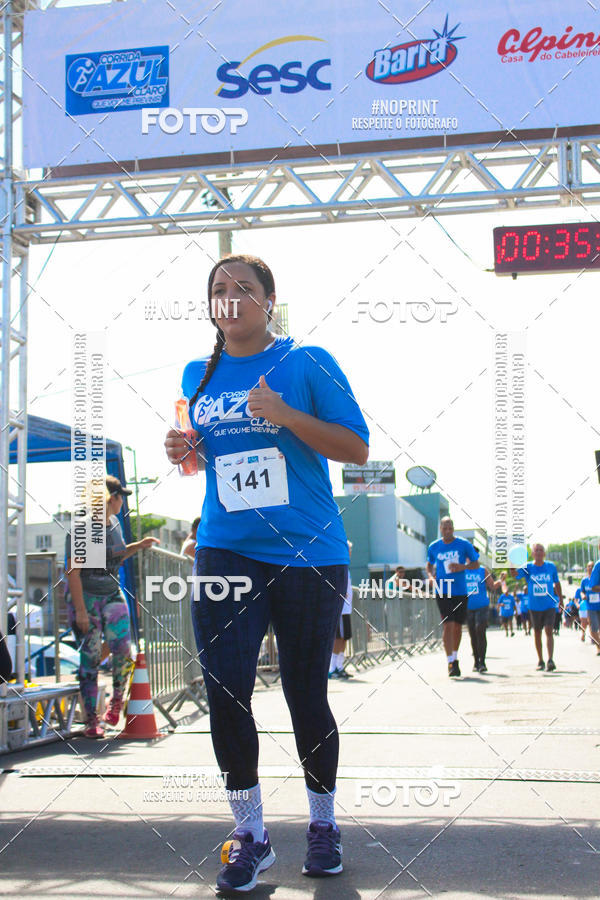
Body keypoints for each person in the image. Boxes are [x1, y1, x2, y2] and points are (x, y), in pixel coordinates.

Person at [164, 254, 369, 894]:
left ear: (268, 301)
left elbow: (356, 446)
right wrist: (184, 453)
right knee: (226, 691)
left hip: (308, 550)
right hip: (226, 548)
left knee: (305, 695)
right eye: (219, 290)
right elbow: (205, 462)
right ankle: (250, 835)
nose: (230, 298)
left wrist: (285, 415)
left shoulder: (307, 362)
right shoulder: (198, 374)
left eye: (243, 289)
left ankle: (322, 823)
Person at [65, 475, 159, 738]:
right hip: (86, 596)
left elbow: (114, 556)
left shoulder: (114, 523)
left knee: (122, 647)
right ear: (110, 498)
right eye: (120, 497)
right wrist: (81, 611)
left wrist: (137, 546)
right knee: (91, 656)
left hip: (111, 592)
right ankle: (91, 720)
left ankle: (116, 701)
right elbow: (73, 572)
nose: (122, 502)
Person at [426, 517, 479, 677]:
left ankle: (455, 656)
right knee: (448, 625)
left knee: (457, 626)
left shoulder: (463, 544)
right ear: (440, 528)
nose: (448, 531)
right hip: (443, 590)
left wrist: (462, 566)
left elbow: (475, 564)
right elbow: (429, 564)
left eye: (450, 528)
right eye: (445, 528)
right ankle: (450, 661)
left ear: (453, 528)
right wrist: (430, 576)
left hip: (460, 590)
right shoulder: (434, 546)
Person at [510, 543, 563, 671]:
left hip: (549, 605)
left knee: (549, 630)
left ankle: (550, 659)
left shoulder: (550, 566)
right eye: (536, 550)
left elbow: (557, 583)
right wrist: (512, 561)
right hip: (534, 606)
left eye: (541, 550)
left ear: (544, 553)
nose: (539, 552)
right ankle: (540, 660)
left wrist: (560, 599)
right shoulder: (528, 567)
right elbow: (514, 574)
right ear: (532, 554)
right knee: (537, 632)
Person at [465, 565, 501, 673]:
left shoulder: (482, 570)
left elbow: (492, 586)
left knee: (480, 630)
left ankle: (482, 662)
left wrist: (500, 580)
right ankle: (476, 661)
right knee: (472, 633)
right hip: (467, 606)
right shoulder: (462, 570)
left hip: (482, 605)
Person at [329, 542, 354, 680]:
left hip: (347, 609)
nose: (350, 553)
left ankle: (340, 666)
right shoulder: (337, 567)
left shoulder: (347, 569)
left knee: (344, 638)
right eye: (348, 550)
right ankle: (332, 668)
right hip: (339, 609)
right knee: (337, 638)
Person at [585, 555, 600, 655]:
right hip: (591, 607)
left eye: (592, 566)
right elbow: (583, 591)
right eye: (589, 566)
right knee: (593, 628)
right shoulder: (584, 581)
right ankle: (598, 646)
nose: (590, 568)